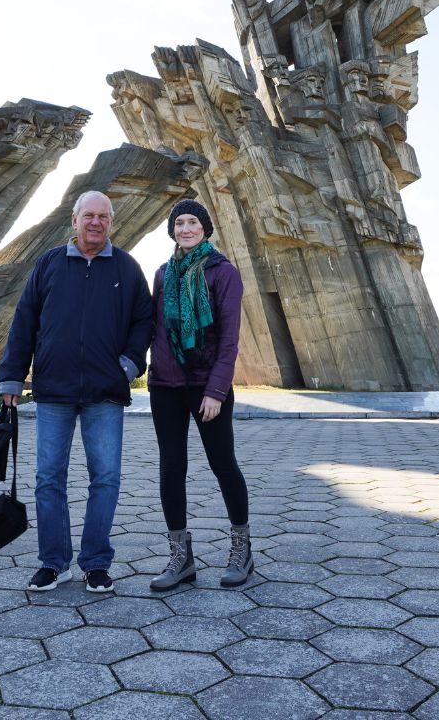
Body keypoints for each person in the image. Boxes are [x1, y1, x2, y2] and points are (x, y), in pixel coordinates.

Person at [0, 190, 151, 593]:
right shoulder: (48, 263)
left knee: (106, 479)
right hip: (53, 390)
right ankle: (54, 562)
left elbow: (143, 322)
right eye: (89, 216)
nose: (96, 222)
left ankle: (96, 563)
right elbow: (24, 321)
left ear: (111, 223)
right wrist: (12, 377)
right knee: (49, 479)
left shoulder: (127, 267)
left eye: (103, 216)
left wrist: (129, 365)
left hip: (105, 392)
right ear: (75, 219)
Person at [148, 199, 252, 591]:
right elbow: (155, 328)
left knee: (223, 463)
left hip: (208, 387)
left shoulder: (224, 273)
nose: (186, 228)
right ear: (173, 230)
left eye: (193, 222)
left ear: (205, 229)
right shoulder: (163, 274)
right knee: (171, 468)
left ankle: (242, 549)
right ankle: (181, 557)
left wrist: (217, 390)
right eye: (179, 222)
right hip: (166, 386)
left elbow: (229, 339)